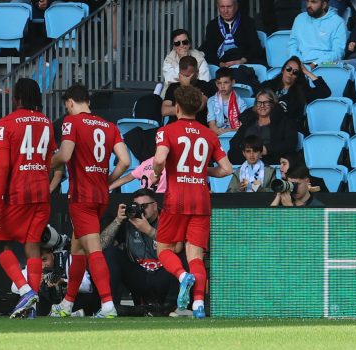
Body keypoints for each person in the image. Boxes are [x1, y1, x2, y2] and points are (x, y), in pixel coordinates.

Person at [49, 83, 130, 319]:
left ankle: (107, 305)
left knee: (92, 250)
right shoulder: (109, 126)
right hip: (101, 196)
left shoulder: (71, 122)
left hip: (81, 196)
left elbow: (64, 156)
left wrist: (42, 163)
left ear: (70, 102)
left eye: (67, 106)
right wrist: (108, 180)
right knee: (77, 249)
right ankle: (67, 304)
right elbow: (124, 161)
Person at [151, 85, 232, 319]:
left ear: (177, 107)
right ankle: (198, 304)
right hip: (201, 200)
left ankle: (180, 275)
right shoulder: (209, 135)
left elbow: (159, 159)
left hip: (176, 199)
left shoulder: (168, 130)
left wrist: (157, 172)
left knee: (164, 249)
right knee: (195, 255)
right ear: (198, 108)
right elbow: (226, 169)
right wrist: (200, 171)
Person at [0, 78, 56, 319]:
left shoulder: (5, 123)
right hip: (41, 192)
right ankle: (32, 308)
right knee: (32, 247)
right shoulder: (47, 123)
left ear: (16, 98)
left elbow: (3, 167)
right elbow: (49, 162)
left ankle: (26, 291)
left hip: (17, 193)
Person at [100, 189, 179, 314]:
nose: (141, 210)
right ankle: (111, 307)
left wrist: (149, 231)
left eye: (144, 206)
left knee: (180, 258)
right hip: (139, 275)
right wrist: (118, 221)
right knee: (111, 253)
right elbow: (100, 246)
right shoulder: (129, 220)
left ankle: (172, 306)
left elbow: (178, 247)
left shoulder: (167, 218)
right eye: (137, 206)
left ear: (154, 205)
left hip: (164, 274)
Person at [227, 89, 298, 165]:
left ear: (273, 104)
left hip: (271, 161)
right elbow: (234, 142)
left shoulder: (284, 121)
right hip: (246, 162)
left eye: (266, 102)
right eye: (259, 102)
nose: (262, 106)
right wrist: (246, 153)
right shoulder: (249, 121)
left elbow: (290, 144)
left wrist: (266, 149)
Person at [262, 56, 331, 130]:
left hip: (289, 129)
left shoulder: (302, 91)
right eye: (288, 69)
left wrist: (306, 72)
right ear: (283, 70)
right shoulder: (268, 85)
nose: (291, 73)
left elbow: (325, 92)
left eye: (295, 72)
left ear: (298, 76)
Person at [198, 0, 262, 68]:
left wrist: (242, 61)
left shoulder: (247, 22)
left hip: (244, 63)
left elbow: (256, 48)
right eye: (222, 7)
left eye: (229, 7)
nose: (225, 11)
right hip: (221, 66)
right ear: (218, 7)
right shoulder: (212, 25)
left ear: (236, 7)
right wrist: (219, 63)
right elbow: (209, 51)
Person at [288, 0, 347, 69]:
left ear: (324, 5)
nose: (308, 5)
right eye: (308, 1)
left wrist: (316, 64)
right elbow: (292, 45)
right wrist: (298, 62)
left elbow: (338, 53)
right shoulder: (300, 18)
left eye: (313, 2)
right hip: (300, 64)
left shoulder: (338, 22)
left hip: (325, 65)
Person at [162, 56, 216, 126]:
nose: (185, 78)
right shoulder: (173, 87)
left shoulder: (206, 86)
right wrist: (187, 109)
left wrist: (186, 87)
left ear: (197, 73)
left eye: (188, 76)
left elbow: (199, 107)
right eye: (182, 75)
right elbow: (165, 110)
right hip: (175, 127)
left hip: (197, 127)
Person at [207, 67, 248, 135]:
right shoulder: (211, 101)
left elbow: (243, 127)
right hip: (217, 135)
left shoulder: (241, 103)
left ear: (233, 82)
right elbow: (212, 125)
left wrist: (229, 131)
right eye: (219, 83)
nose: (222, 86)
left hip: (235, 135)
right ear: (216, 84)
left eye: (226, 82)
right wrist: (221, 133)